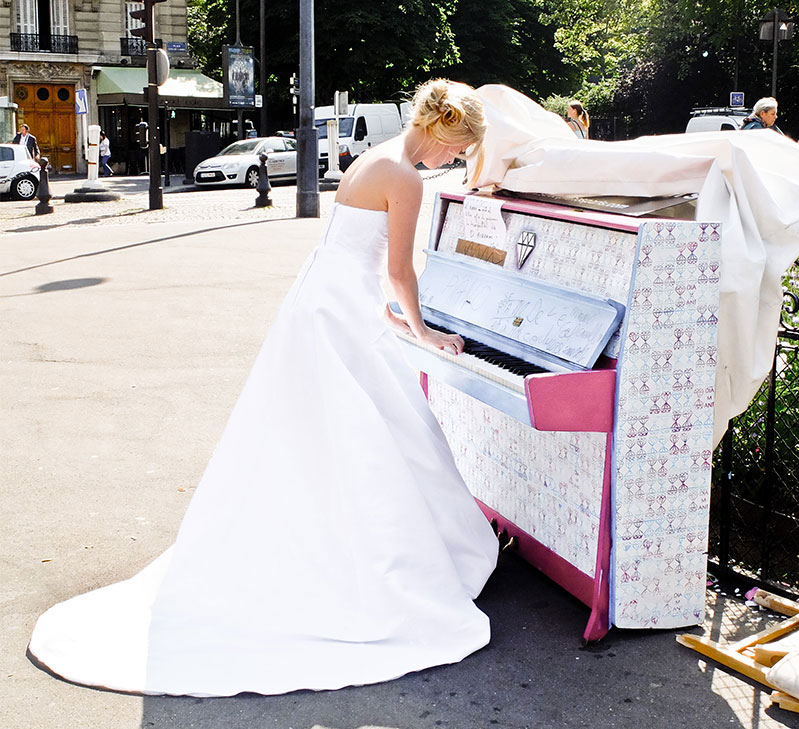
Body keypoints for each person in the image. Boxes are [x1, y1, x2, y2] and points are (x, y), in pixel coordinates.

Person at [28, 79, 499, 697]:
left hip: (324, 302)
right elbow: (399, 270)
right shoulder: (405, 176)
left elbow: (349, 250)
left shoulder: (373, 159)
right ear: (442, 131)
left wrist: (384, 313)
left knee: (321, 435)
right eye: (459, 149)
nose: (454, 160)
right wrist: (424, 330)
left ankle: (325, 545)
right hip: (340, 312)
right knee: (373, 435)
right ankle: (361, 563)